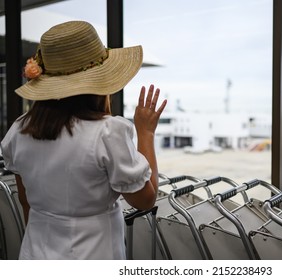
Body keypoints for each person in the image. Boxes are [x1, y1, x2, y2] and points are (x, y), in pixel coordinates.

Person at [0, 20, 167, 259]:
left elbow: (26, 201)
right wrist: (146, 132)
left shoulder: (19, 130)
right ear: (98, 83)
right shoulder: (108, 132)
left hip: (35, 251)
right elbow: (145, 200)